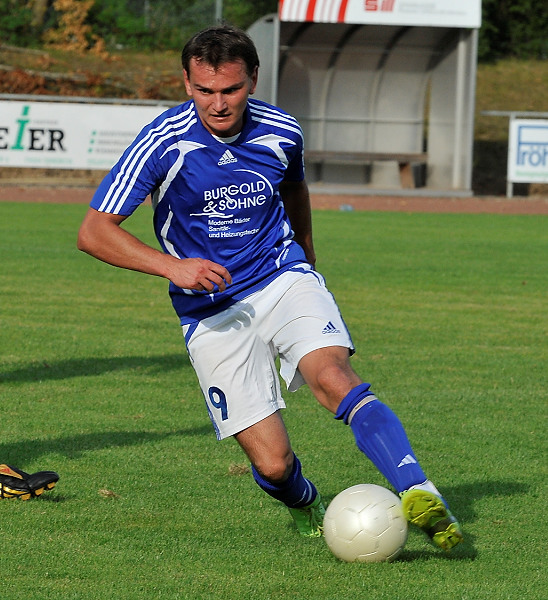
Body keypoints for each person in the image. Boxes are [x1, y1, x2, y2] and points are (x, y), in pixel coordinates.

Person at [77, 24, 463, 551]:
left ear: (253, 80)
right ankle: (306, 502)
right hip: (210, 312)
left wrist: (307, 260)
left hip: (282, 279)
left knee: (333, 376)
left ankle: (419, 490)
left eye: (230, 89)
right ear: (186, 83)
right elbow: (93, 232)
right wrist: (173, 268)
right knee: (274, 465)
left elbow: (295, 188)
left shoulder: (282, 130)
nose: (218, 104)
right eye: (204, 90)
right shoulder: (162, 142)